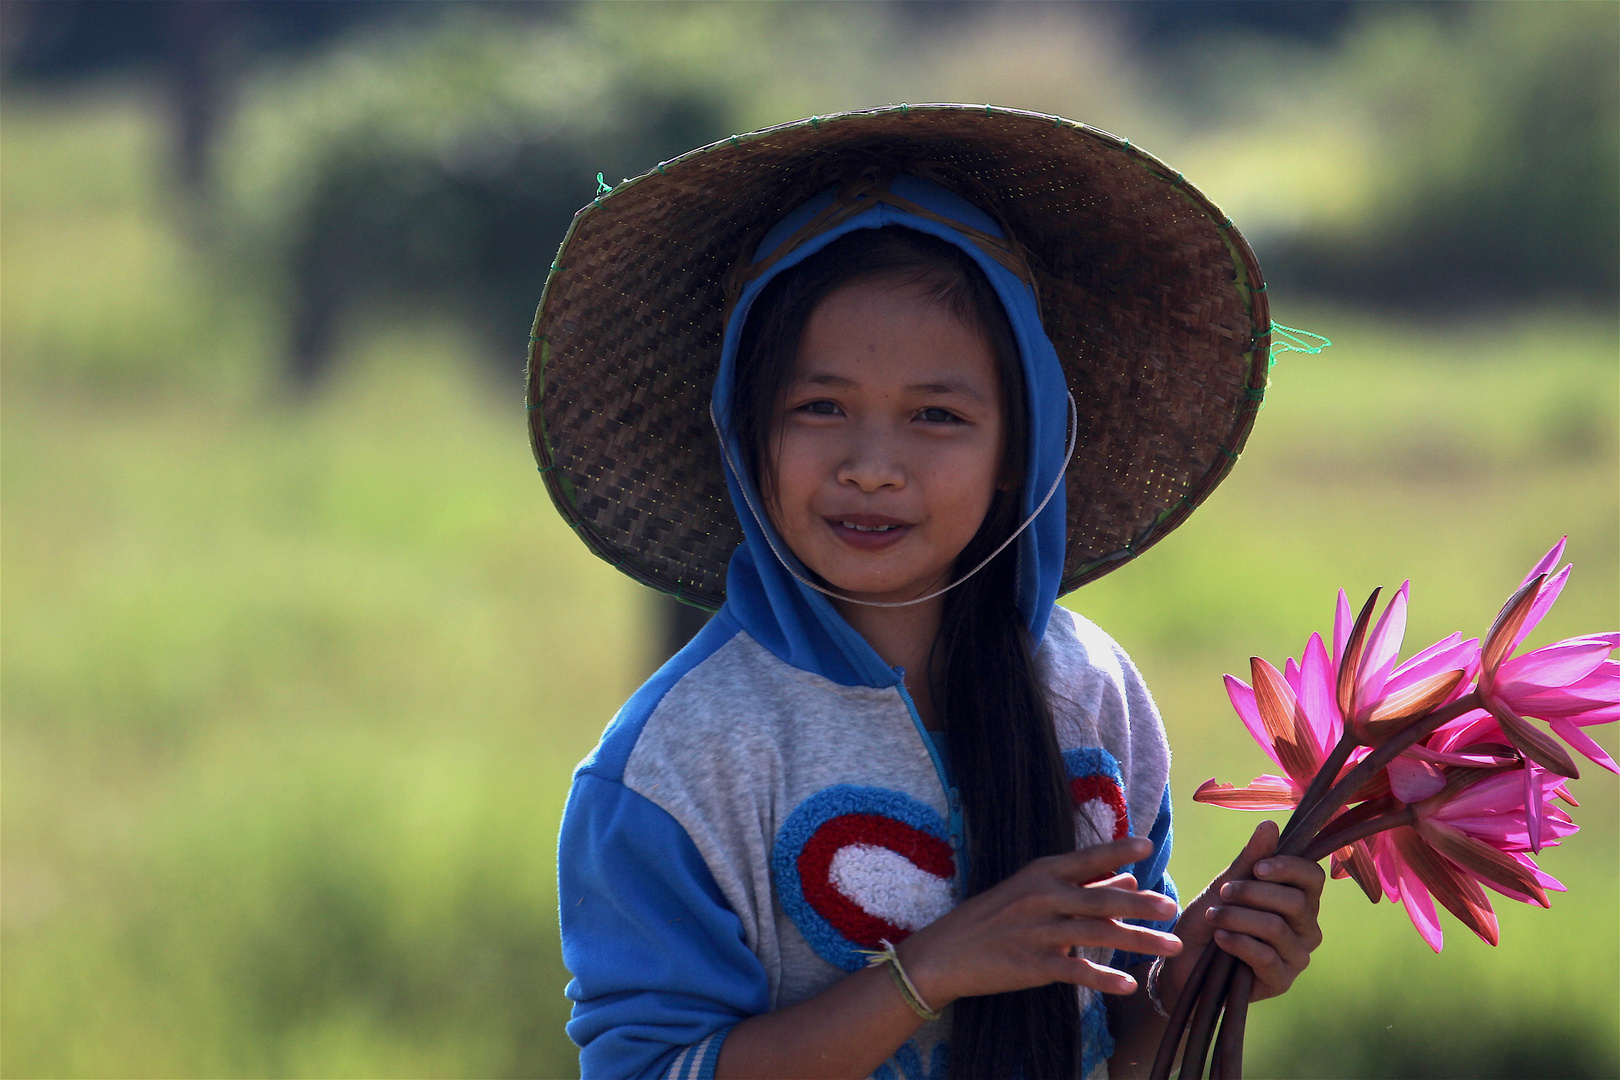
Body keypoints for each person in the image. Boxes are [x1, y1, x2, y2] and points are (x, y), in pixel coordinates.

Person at [530, 106, 1326, 1080]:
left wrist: (1195, 973)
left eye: (936, 415)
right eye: (820, 407)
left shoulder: (1096, 701)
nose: (872, 466)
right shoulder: (677, 767)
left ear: (1018, 451)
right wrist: (931, 972)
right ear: (744, 435)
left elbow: (1115, 1049)